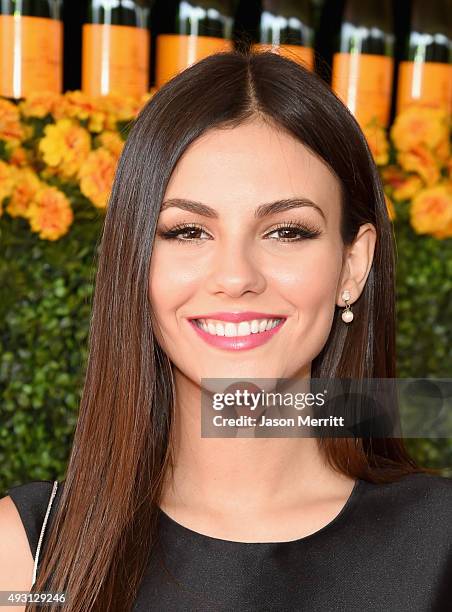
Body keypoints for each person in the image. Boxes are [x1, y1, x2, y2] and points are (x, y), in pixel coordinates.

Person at [1, 50, 451, 612]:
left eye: (287, 231)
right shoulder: (27, 556)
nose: (236, 277)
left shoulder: (441, 545)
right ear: (134, 262)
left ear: (353, 266)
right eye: (188, 231)